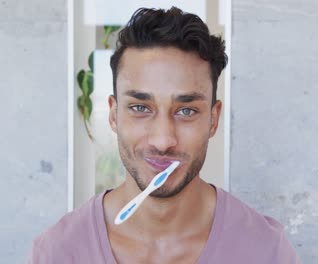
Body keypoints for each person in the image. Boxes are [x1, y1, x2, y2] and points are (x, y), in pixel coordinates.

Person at [28, 7, 301, 264]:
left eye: (186, 111)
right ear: (114, 114)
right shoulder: (58, 253)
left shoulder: (266, 251)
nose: (162, 140)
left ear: (214, 119)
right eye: (140, 108)